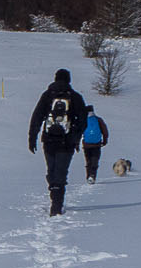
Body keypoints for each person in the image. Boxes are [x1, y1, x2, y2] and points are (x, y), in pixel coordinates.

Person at [27, 68, 88, 216]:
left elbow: (37, 117)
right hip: (67, 142)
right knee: (61, 172)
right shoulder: (75, 97)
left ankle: (54, 196)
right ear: (69, 80)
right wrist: (76, 138)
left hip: (48, 140)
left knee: (51, 171)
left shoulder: (47, 95)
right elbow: (83, 121)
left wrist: (32, 137)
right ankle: (56, 204)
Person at [80, 106, 110, 183]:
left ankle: (88, 177)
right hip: (96, 144)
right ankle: (92, 176)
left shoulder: (83, 120)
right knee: (95, 160)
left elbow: (79, 132)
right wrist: (105, 140)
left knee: (88, 161)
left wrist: (77, 143)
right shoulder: (98, 120)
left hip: (86, 145)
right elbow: (104, 131)